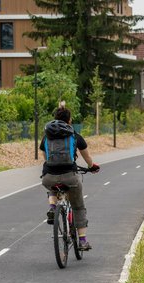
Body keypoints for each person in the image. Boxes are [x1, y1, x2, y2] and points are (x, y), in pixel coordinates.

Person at [40, 105, 100, 251]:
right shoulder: (74, 134)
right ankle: (83, 241)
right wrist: (92, 166)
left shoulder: (47, 135)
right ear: (70, 120)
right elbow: (87, 158)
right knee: (78, 206)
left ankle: (53, 207)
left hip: (49, 177)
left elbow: (45, 156)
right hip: (70, 177)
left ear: (55, 118)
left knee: (52, 186)